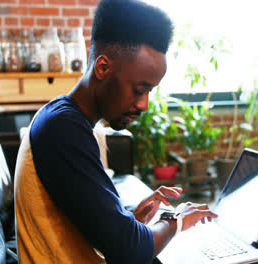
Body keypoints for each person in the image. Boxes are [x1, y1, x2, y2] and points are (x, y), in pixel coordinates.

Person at [14, 0, 218, 263]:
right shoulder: (62, 129)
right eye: (139, 89)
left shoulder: (63, 119)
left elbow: (88, 226)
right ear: (103, 68)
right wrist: (175, 220)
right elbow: (128, 251)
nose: (144, 104)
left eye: (150, 91)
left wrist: (129, 221)